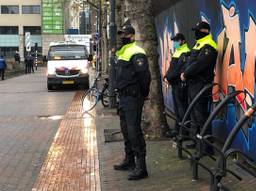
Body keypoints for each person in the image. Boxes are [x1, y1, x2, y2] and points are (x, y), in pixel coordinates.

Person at [113, 25, 151, 180]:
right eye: (122, 34)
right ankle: (129, 160)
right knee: (125, 129)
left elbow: (145, 77)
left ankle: (141, 167)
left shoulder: (137, 52)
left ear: (133, 36)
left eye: (126, 34)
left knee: (134, 130)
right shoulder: (122, 52)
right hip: (123, 97)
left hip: (133, 97)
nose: (123, 36)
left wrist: (143, 94)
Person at [181, 21, 218, 150]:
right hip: (193, 84)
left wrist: (186, 73)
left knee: (201, 115)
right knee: (194, 115)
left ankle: (206, 147)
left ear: (205, 31)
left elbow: (200, 64)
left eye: (198, 30)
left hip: (201, 84)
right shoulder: (199, 44)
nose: (195, 33)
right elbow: (192, 62)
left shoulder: (209, 46)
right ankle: (196, 141)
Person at [164, 33, 190, 138]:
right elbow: (172, 68)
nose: (175, 43)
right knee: (177, 108)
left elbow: (179, 70)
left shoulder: (185, 53)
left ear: (182, 41)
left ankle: (184, 133)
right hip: (175, 84)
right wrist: (166, 76)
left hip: (180, 84)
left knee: (182, 108)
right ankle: (178, 129)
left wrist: (168, 77)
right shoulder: (178, 52)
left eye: (177, 41)